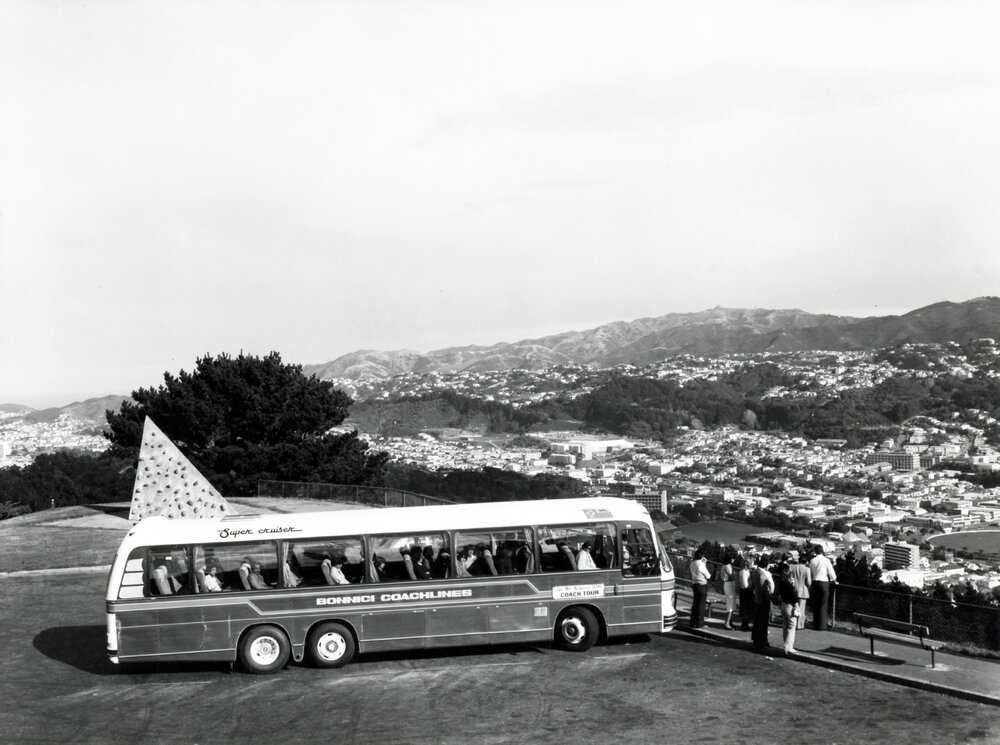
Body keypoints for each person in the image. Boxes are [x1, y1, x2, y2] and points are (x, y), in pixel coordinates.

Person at [774, 562, 800, 655]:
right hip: (790, 606)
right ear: (785, 571)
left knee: (785, 626)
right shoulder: (788, 584)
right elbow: (793, 596)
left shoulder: (780, 581)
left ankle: (786, 644)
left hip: (784, 604)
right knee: (791, 626)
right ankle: (788, 647)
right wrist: (797, 607)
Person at [808, 545, 837, 630]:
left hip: (815, 582)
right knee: (823, 604)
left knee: (816, 604)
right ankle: (822, 625)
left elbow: (811, 572)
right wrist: (833, 579)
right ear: (822, 551)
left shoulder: (812, 560)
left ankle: (816, 624)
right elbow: (831, 573)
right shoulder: (826, 560)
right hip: (823, 582)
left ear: (815, 551)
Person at [750, 555, 774, 652]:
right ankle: (762, 640)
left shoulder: (755, 572)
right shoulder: (766, 574)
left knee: (757, 620)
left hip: (757, 597)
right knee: (763, 621)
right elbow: (769, 588)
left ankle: (756, 640)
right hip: (764, 598)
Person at [788, 554, 812, 630]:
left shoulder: (792, 567)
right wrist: (808, 587)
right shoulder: (807, 569)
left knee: (792, 607)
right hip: (803, 591)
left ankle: (792, 623)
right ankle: (799, 625)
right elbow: (809, 582)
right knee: (801, 609)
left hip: (792, 589)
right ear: (806, 561)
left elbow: (789, 578)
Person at [689, 549, 711, 629]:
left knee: (695, 604)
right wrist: (704, 563)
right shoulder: (701, 564)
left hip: (695, 584)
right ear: (702, 556)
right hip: (702, 586)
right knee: (701, 605)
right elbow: (708, 576)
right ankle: (699, 623)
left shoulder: (692, 564)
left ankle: (692, 622)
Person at [735, 556, 754, 631]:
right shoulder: (744, 572)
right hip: (746, 591)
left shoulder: (744, 571)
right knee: (746, 609)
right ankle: (744, 625)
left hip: (744, 591)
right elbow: (745, 585)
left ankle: (745, 624)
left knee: (746, 608)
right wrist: (751, 585)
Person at [718, 555, 736, 630]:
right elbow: (731, 576)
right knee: (730, 604)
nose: (733, 560)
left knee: (732, 604)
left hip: (729, 585)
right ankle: (727, 623)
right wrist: (735, 575)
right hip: (729, 585)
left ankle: (729, 621)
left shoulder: (725, 566)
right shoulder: (727, 566)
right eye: (732, 558)